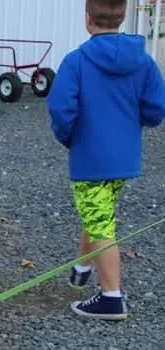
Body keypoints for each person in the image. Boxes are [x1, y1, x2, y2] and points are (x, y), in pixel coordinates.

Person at [46, 0, 165, 321]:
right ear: (123, 17)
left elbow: (61, 110)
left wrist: (69, 138)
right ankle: (82, 269)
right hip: (124, 159)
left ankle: (112, 297)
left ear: (88, 20)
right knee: (99, 213)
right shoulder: (145, 63)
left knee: (100, 222)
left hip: (90, 159)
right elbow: (156, 108)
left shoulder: (76, 62)